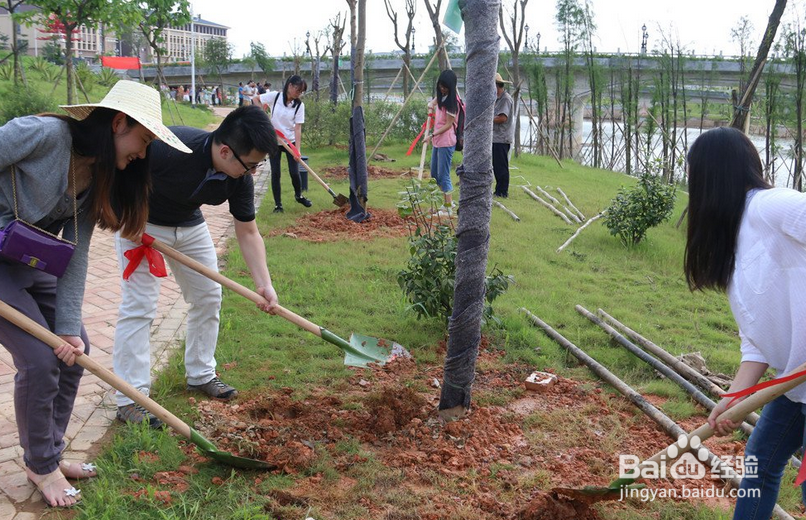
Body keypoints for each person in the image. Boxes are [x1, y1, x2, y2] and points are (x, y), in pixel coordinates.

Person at [0, 80, 190, 508]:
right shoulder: (42, 134)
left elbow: (77, 255)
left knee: (73, 351)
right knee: (37, 359)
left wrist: (68, 328)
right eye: (143, 139)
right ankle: (42, 465)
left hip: (30, 258)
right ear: (118, 123)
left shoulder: (96, 173)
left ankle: (45, 455)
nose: (142, 153)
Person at [113, 105, 280, 428]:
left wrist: (264, 284)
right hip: (141, 223)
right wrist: (126, 218)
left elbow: (247, 231)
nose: (253, 173)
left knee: (208, 296)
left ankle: (201, 374)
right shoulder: (170, 146)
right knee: (140, 306)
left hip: (189, 225)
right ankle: (131, 398)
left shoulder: (239, 176)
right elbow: (117, 172)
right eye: (251, 165)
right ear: (226, 151)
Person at [684, 127, 806, 519]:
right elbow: (757, 341)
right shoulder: (734, 244)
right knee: (760, 461)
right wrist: (733, 398)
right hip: (794, 381)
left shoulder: (771, 207)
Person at [254, 75, 311, 213]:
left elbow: (297, 128)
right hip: (274, 141)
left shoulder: (299, 106)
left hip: (289, 141)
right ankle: (278, 205)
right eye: (298, 90)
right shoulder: (275, 96)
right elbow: (256, 99)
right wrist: (265, 118)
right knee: (276, 173)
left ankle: (299, 195)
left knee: (294, 172)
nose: (299, 94)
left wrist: (297, 150)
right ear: (290, 86)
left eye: (301, 91)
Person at [426, 69, 459, 216]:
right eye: (440, 85)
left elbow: (447, 125)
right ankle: (445, 202)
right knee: (434, 175)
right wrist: (431, 103)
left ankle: (448, 207)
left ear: (451, 87)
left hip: (446, 141)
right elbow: (435, 101)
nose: (442, 89)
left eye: (445, 87)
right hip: (437, 142)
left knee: (444, 174)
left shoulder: (453, 102)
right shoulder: (442, 96)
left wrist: (431, 135)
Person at [492, 72, 514, 198]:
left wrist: (488, 119)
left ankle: (502, 191)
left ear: (497, 86)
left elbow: (502, 118)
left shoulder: (505, 99)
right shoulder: (496, 99)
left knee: (501, 166)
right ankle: (499, 190)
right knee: (496, 165)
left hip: (502, 138)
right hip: (496, 137)